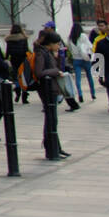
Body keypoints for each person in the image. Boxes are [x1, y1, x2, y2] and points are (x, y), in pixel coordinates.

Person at [34, 29, 70, 160]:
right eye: (57, 44)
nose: (59, 46)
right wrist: (55, 71)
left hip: (52, 90)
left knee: (53, 120)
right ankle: (51, 149)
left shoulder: (48, 53)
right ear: (50, 43)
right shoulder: (41, 53)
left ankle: (56, 147)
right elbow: (39, 72)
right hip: (47, 90)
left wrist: (59, 57)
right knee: (51, 120)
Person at [4, 23, 30, 104]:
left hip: (14, 60)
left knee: (16, 77)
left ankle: (17, 92)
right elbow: (26, 50)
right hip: (22, 60)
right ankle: (24, 97)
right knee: (24, 78)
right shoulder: (23, 38)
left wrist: (5, 59)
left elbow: (7, 51)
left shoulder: (9, 40)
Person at [69, 21, 95, 103]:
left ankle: (80, 95)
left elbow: (69, 48)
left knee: (78, 79)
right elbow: (89, 46)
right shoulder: (83, 35)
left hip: (76, 59)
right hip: (85, 59)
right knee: (89, 77)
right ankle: (93, 93)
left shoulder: (70, 38)